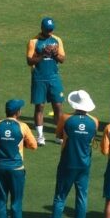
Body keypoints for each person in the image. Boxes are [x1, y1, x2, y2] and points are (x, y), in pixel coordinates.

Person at [46, 90, 99, 218]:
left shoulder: (65, 118)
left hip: (67, 163)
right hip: (84, 164)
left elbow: (58, 135)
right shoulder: (94, 121)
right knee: (81, 198)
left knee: (60, 197)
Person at [27, 17, 66, 146]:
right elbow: (29, 61)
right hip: (39, 78)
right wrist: (42, 54)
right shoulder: (34, 41)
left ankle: (59, 135)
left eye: (51, 29)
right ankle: (40, 136)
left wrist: (55, 54)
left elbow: (62, 59)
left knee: (58, 105)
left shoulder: (57, 40)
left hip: (54, 77)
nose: (50, 32)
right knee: (40, 106)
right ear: (42, 28)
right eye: (47, 29)